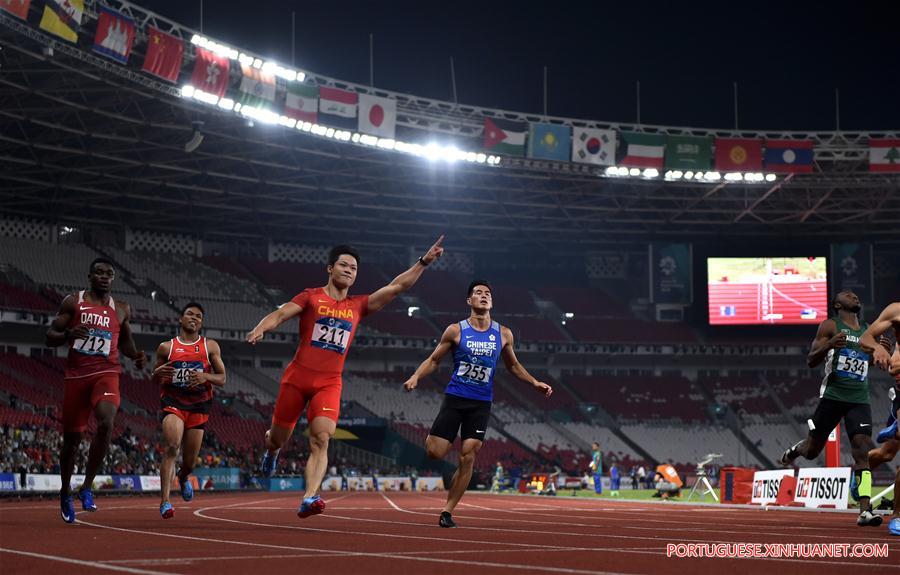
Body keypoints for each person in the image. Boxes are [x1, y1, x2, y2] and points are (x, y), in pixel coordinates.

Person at [247, 238, 445, 518]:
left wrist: (423, 262)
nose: (350, 270)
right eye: (344, 265)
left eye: (354, 267)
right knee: (278, 438)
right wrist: (261, 328)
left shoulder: (358, 305)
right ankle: (272, 450)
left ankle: (309, 497)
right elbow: (280, 314)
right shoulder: (311, 297)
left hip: (329, 383)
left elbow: (397, 287)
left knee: (321, 438)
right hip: (297, 378)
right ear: (330, 268)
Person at [402, 280, 553, 527]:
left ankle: (447, 512)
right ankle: (440, 443)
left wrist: (534, 382)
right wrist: (416, 376)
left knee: (468, 456)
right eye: (478, 293)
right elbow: (433, 360)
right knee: (435, 452)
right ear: (469, 301)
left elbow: (513, 366)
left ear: (491, 301)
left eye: (487, 293)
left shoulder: (503, 334)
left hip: (481, 403)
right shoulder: (455, 330)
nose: (484, 296)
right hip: (455, 398)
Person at [45, 257, 147, 523]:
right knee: (72, 442)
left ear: (113, 278)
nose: (104, 277)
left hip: (107, 372)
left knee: (106, 422)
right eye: (99, 273)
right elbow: (49, 336)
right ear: (89, 276)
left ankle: (87, 487)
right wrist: (68, 336)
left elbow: (125, 342)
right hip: (76, 376)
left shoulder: (122, 308)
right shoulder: (73, 302)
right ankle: (65, 491)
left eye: (109, 273)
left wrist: (135, 355)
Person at [777, 290, 882, 527]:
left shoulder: (867, 330)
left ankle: (864, 510)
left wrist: (879, 353)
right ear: (837, 304)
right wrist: (830, 345)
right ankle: (797, 449)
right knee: (813, 450)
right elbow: (811, 360)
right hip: (833, 397)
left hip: (859, 398)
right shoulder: (829, 326)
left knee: (861, 451)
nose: (855, 296)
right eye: (848, 295)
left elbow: (873, 363)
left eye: (856, 294)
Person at [151, 302, 226, 519]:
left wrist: (205, 376)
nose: (194, 318)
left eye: (199, 317)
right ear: (180, 319)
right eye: (190, 314)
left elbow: (222, 378)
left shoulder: (210, 347)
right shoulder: (167, 347)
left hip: (199, 405)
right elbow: (155, 377)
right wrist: (158, 373)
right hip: (174, 402)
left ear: (201, 323)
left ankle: (183, 478)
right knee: (172, 446)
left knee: (190, 462)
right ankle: (165, 502)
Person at [859, 302, 900, 535]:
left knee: (888, 453)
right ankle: (897, 515)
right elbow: (866, 337)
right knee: (885, 454)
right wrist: (878, 348)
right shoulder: (896, 311)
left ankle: (895, 429)